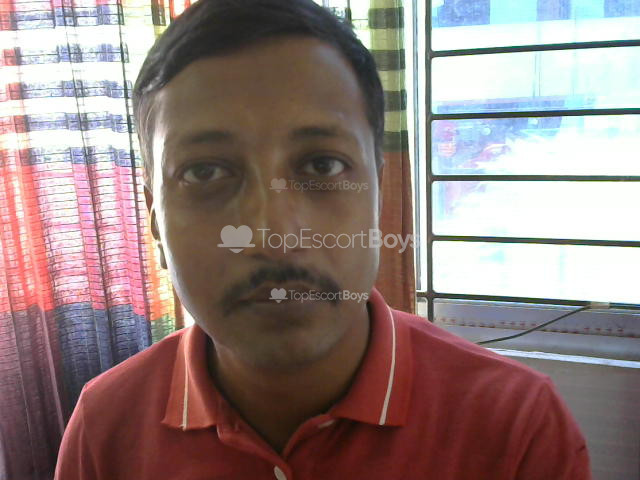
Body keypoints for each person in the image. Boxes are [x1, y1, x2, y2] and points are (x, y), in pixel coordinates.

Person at [54, 0, 592, 478]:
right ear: (154, 219)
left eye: (321, 164)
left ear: (380, 194)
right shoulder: (106, 428)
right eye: (205, 172)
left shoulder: (514, 428)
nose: (273, 235)